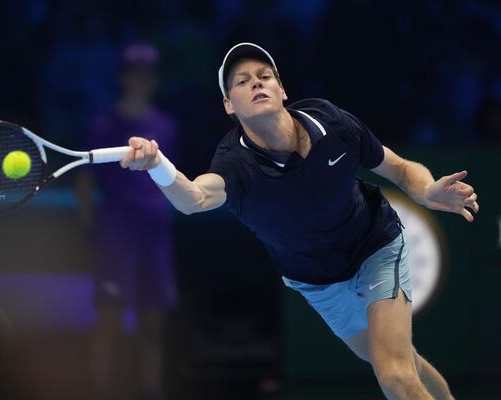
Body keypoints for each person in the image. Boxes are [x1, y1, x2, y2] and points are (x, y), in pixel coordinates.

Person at [118, 43, 479, 400]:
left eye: (265, 76)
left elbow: (399, 168)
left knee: (394, 377)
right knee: (401, 362)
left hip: (375, 246)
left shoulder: (331, 123)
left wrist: (428, 189)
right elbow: (193, 198)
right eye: (242, 82)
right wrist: (157, 167)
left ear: (282, 89)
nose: (256, 83)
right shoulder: (235, 164)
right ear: (229, 104)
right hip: (317, 282)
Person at [77, 42, 178, 400]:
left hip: (155, 237)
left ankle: (150, 392)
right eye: (135, 74)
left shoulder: (166, 126)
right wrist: (93, 235)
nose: (141, 81)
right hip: (115, 239)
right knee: (109, 322)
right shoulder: (102, 126)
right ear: (123, 78)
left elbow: (174, 181)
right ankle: (101, 392)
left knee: (153, 326)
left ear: (154, 80)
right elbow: (86, 185)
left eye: (147, 74)